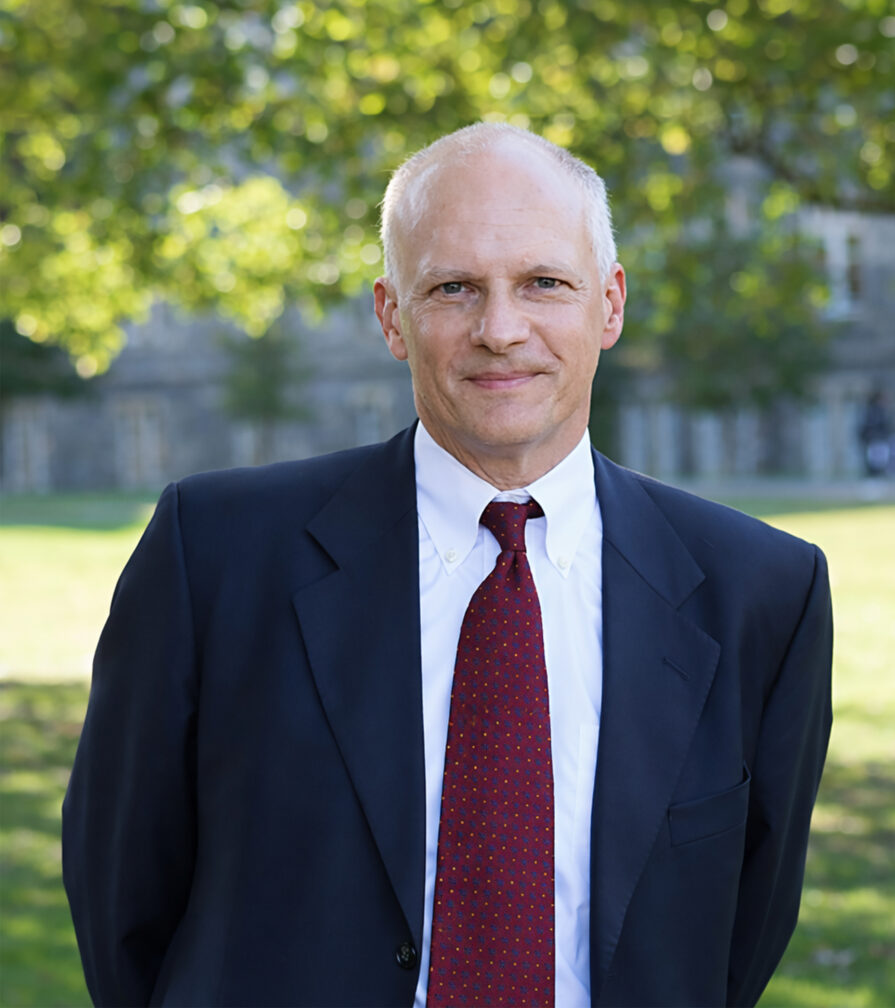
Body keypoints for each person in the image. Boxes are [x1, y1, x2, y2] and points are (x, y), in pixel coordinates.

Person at [62, 124, 833, 1008]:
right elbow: (121, 894)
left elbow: (744, 931)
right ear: (392, 315)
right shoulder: (215, 555)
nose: (501, 331)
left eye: (544, 283)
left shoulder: (763, 592)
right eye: (454, 287)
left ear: (611, 304)